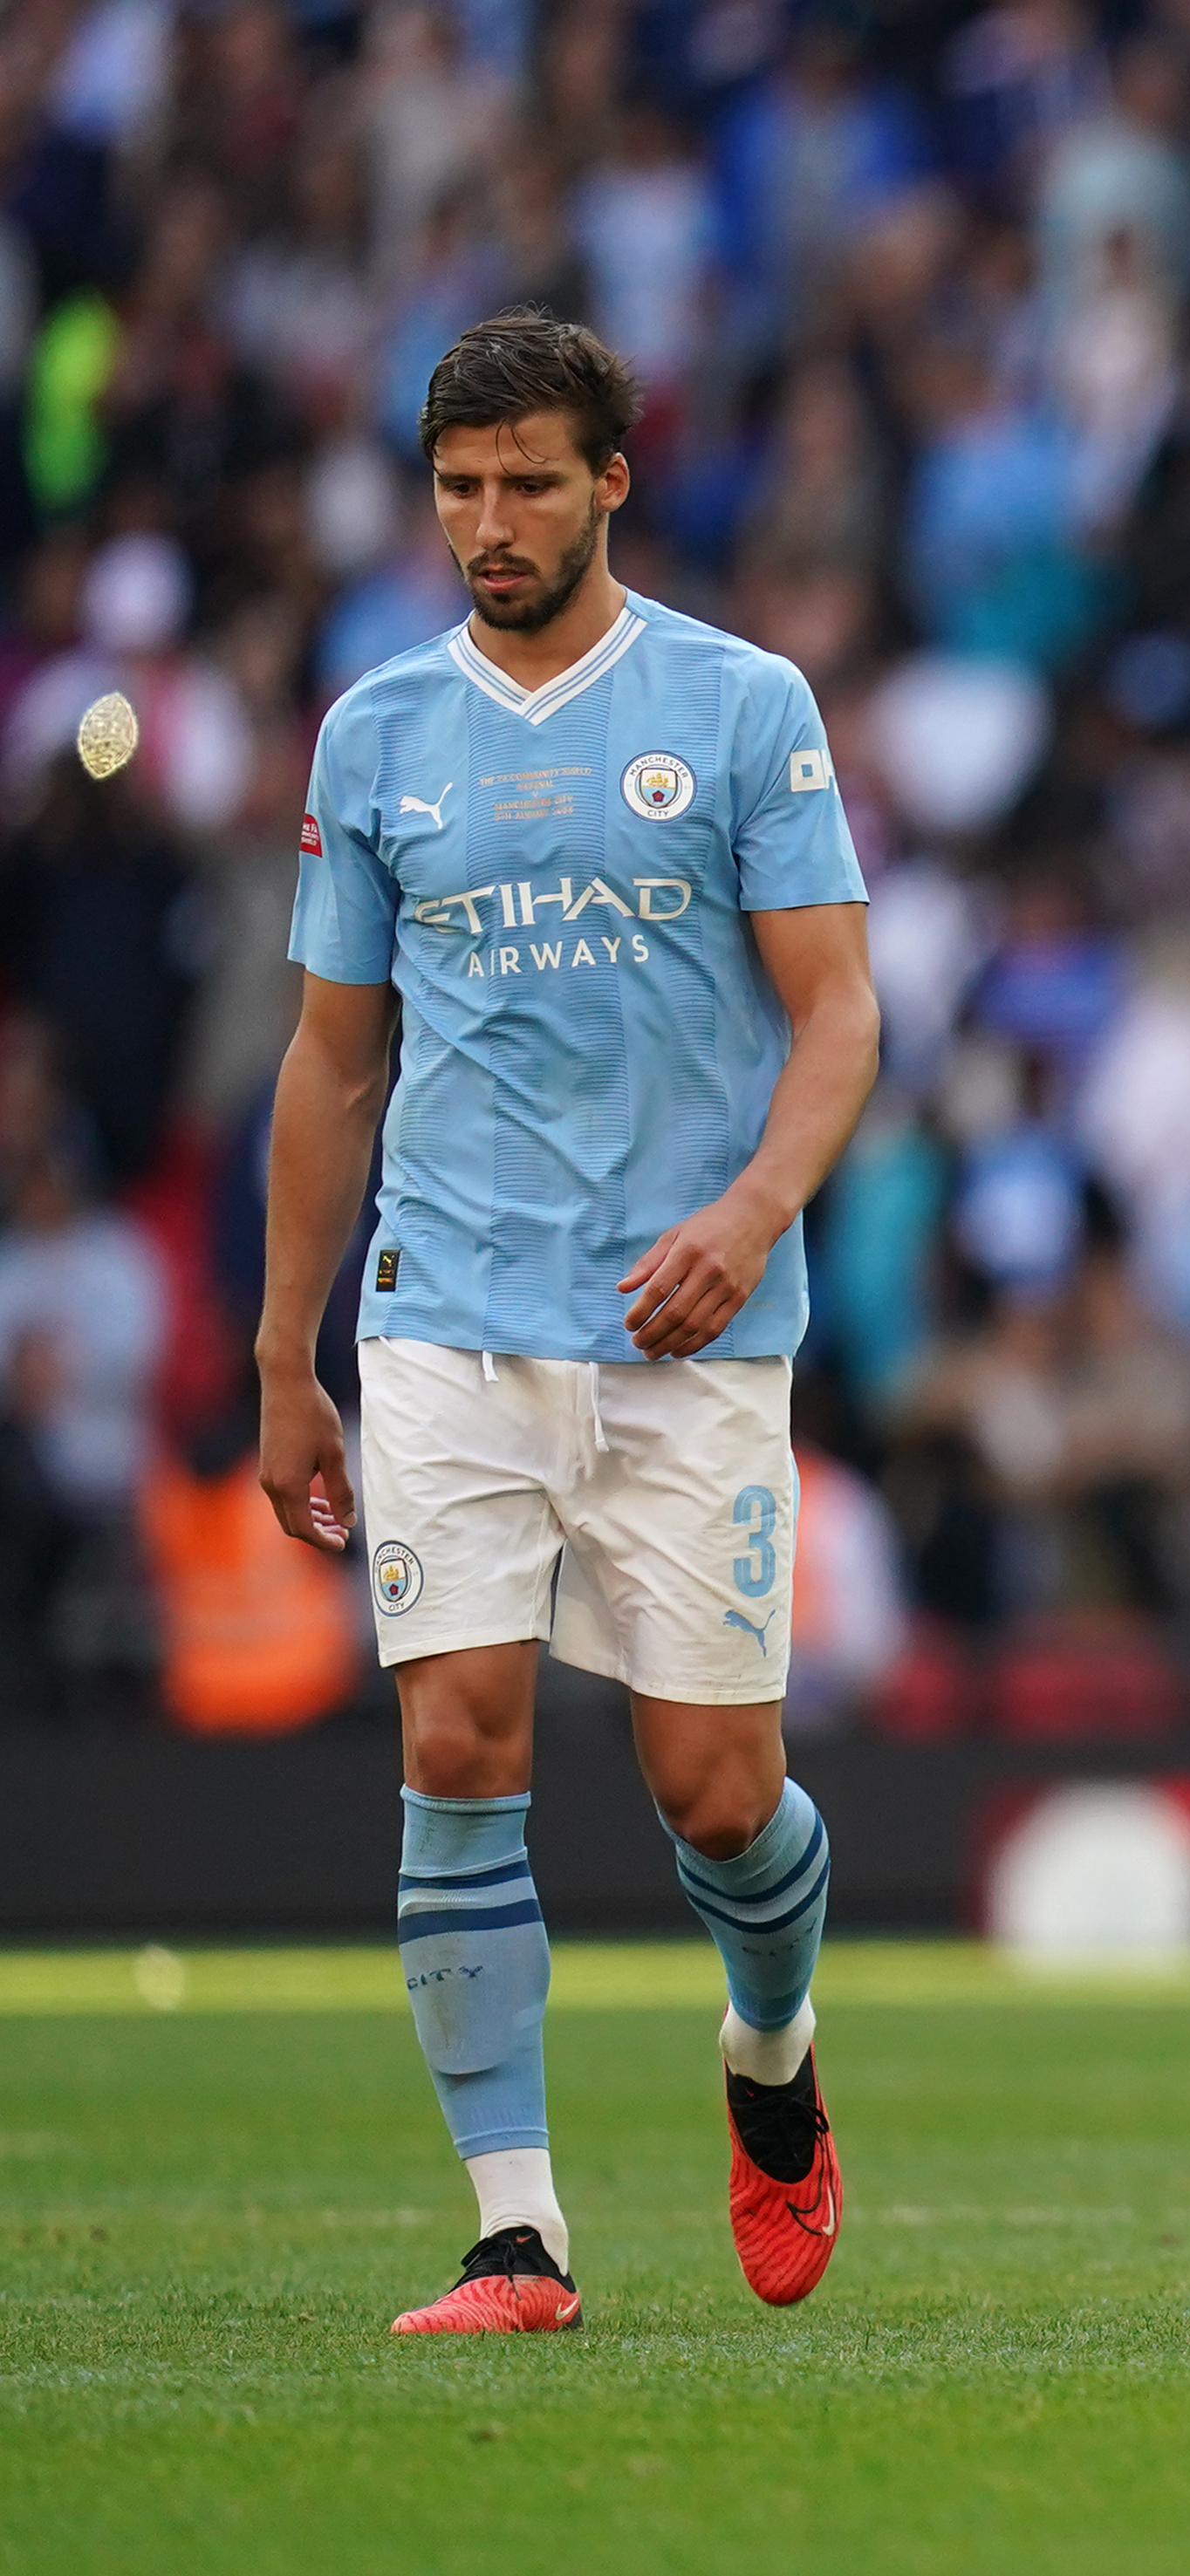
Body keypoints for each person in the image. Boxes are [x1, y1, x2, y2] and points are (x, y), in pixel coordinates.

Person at [254, 310, 882, 2334]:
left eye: (529, 482)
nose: (491, 523)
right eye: (458, 488)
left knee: (715, 1793)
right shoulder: (375, 735)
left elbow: (840, 1010)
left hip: (689, 1326)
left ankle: (770, 2059)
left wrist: (752, 1208)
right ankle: (514, 2233)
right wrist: (288, 1349)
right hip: (445, 1313)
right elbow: (332, 1063)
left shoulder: (738, 702)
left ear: (613, 477)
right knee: (458, 1739)